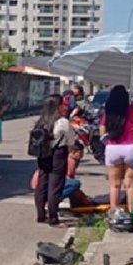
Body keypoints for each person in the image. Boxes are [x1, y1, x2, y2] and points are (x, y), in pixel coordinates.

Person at [33, 94, 76, 227]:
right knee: (55, 187)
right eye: (62, 104)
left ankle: (41, 214)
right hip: (58, 154)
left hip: (43, 155)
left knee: (42, 185)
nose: (64, 107)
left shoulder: (41, 122)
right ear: (58, 106)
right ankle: (53, 218)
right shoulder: (62, 122)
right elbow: (71, 141)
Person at [100, 85, 133, 213]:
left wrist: (106, 142)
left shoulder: (108, 112)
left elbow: (102, 131)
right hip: (131, 147)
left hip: (113, 147)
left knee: (114, 185)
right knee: (131, 185)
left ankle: (114, 213)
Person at [30, 142, 92, 207]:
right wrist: (83, 197)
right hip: (46, 183)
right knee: (75, 184)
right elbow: (70, 181)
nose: (82, 155)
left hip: (40, 183)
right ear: (73, 152)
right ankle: (52, 200)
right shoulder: (71, 161)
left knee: (71, 185)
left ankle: (49, 200)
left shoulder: (64, 157)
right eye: (80, 153)